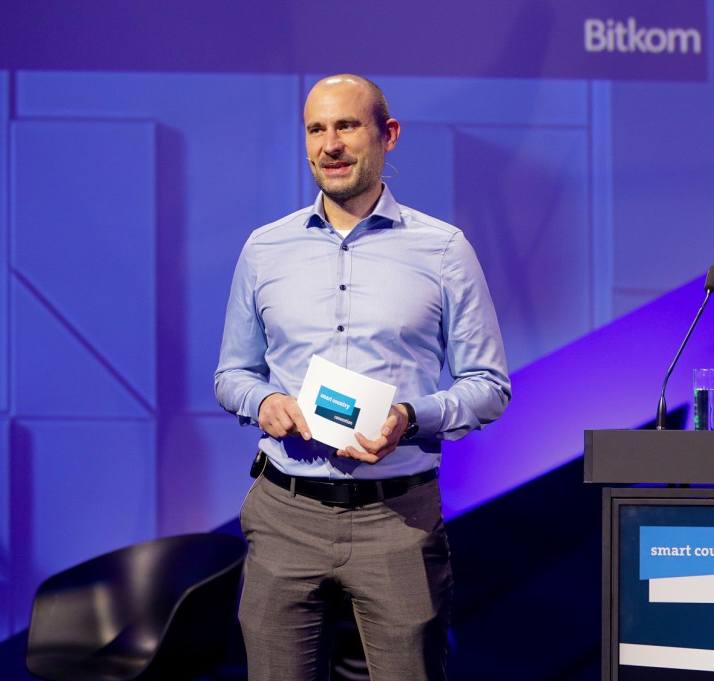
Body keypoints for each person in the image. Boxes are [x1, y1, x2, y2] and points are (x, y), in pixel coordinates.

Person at [214, 74, 511, 681]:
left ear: (388, 135)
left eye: (347, 125)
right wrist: (263, 400)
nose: (331, 144)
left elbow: (488, 385)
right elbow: (232, 373)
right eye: (316, 129)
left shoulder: (443, 249)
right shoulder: (264, 250)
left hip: (396, 522)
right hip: (284, 513)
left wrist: (409, 418)